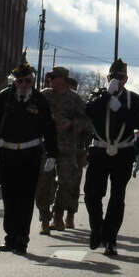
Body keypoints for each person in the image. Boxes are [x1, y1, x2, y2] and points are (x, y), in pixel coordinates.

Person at [0, 60, 58, 253]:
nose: (24, 85)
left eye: (27, 81)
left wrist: (52, 154)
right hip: (7, 152)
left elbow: (49, 128)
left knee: (25, 198)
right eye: (20, 81)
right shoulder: (4, 97)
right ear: (15, 82)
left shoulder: (39, 101)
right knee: (9, 199)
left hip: (30, 153)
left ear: (33, 81)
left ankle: (22, 238)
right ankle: (10, 237)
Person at [83, 58, 139, 256]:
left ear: (126, 79)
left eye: (120, 77)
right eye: (113, 77)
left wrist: (119, 108)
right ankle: (97, 229)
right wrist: (106, 97)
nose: (117, 80)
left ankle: (111, 238)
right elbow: (88, 112)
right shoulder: (97, 95)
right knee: (92, 194)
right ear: (108, 77)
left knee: (117, 196)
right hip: (100, 150)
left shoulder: (134, 99)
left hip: (123, 150)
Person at [35, 67, 90, 233]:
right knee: (43, 184)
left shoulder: (75, 99)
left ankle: (58, 214)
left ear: (64, 80)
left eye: (57, 78)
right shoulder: (43, 95)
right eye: (52, 77)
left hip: (67, 149)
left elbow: (87, 122)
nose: (54, 80)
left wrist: (72, 124)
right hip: (45, 148)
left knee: (66, 184)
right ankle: (45, 219)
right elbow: (32, 114)